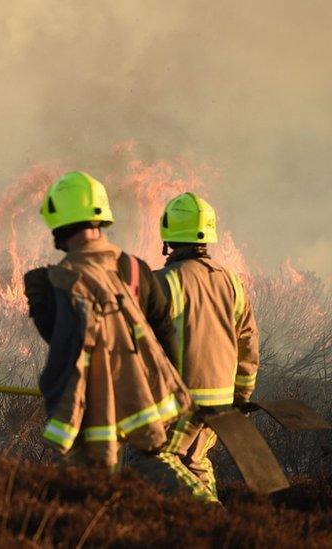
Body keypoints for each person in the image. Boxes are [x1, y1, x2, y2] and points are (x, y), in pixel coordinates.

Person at [23, 171, 215, 502]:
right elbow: (164, 329)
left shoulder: (58, 280)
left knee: (92, 487)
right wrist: (171, 386)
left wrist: (41, 302)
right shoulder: (136, 270)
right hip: (147, 401)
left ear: (58, 223)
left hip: (93, 405)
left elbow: (61, 343)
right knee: (161, 471)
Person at [155, 192, 260, 499]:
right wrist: (240, 397)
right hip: (222, 405)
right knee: (194, 461)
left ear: (168, 235)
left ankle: (208, 513)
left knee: (153, 456)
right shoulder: (232, 283)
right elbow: (248, 344)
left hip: (181, 405)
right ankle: (214, 531)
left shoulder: (165, 282)